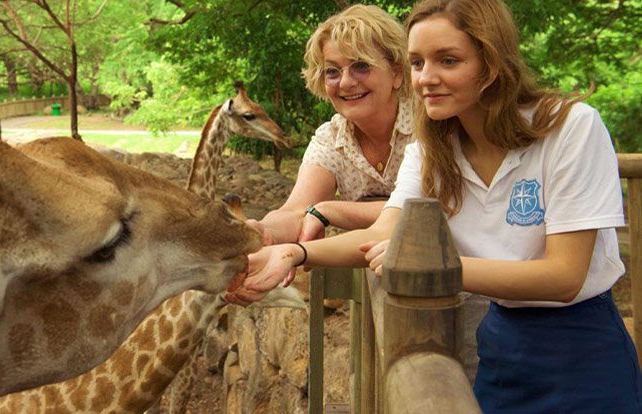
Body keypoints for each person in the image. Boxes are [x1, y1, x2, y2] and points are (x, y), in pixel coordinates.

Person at [228, 0, 642, 412]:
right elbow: (381, 234)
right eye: (417, 63)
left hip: (582, 349)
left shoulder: (569, 128)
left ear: (491, 63)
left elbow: (565, 276)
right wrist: (294, 253)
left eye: (448, 60)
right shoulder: (432, 150)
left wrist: (429, 266)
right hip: (502, 341)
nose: (426, 78)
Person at [247, 4, 413, 247]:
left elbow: (436, 209)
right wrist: (262, 232)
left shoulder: (429, 125)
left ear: (396, 73)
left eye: (361, 66)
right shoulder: (332, 139)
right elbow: (296, 211)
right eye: (333, 71)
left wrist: (330, 210)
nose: (345, 82)